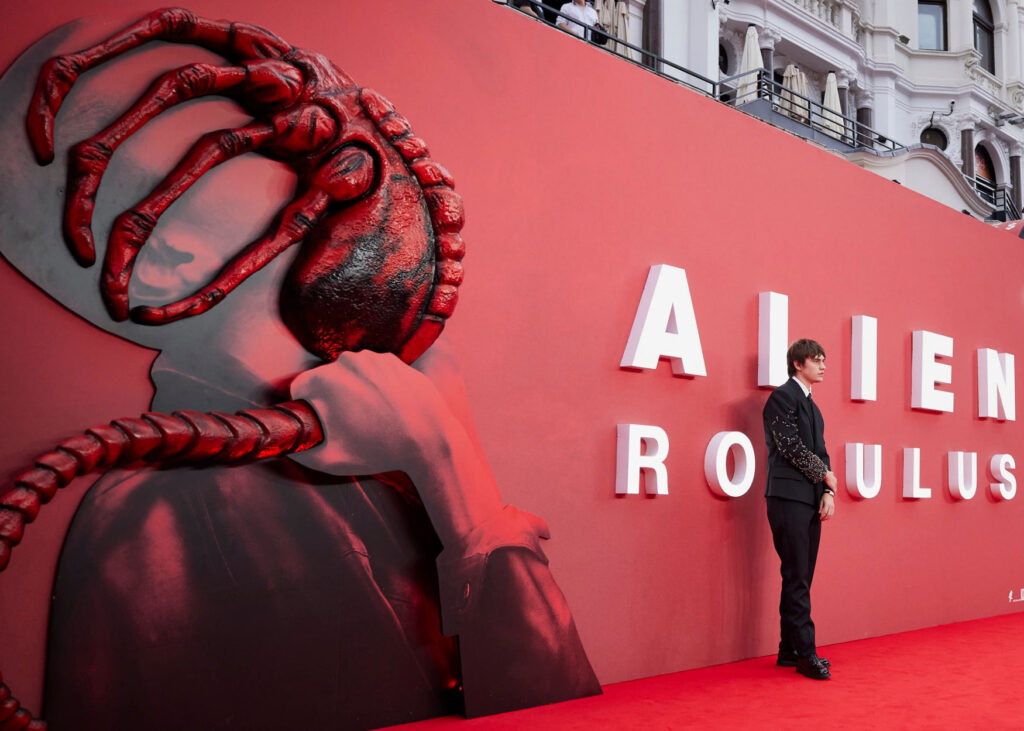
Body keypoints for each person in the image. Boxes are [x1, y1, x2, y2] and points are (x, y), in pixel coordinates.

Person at [0, 20, 600, 729]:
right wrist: (460, 486)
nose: (275, 138)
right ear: (165, 256)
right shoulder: (154, 525)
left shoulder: (389, 430)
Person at [762, 339, 837, 680]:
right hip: (787, 498)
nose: (822, 365)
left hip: (809, 498)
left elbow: (821, 451)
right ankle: (806, 654)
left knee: (800, 576)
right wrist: (823, 474)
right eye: (816, 360)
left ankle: (789, 651)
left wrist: (827, 492)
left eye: (823, 360)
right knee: (797, 576)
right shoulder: (782, 397)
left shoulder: (814, 407)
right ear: (797, 364)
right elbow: (789, 445)